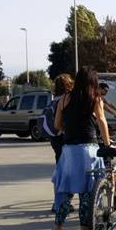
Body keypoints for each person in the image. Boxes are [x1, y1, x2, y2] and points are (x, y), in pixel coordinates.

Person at [47, 67, 111, 230]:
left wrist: (69, 126)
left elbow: (57, 124)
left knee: (64, 192)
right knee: (87, 192)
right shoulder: (95, 99)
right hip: (89, 150)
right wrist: (108, 144)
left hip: (68, 151)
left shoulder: (64, 99)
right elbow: (102, 121)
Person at [47, 74, 75, 213]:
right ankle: (61, 203)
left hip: (54, 139)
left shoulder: (54, 100)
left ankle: (58, 202)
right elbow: (62, 123)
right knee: (67, 172)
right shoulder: (65, 101)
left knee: (60, 169)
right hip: (64, 138)